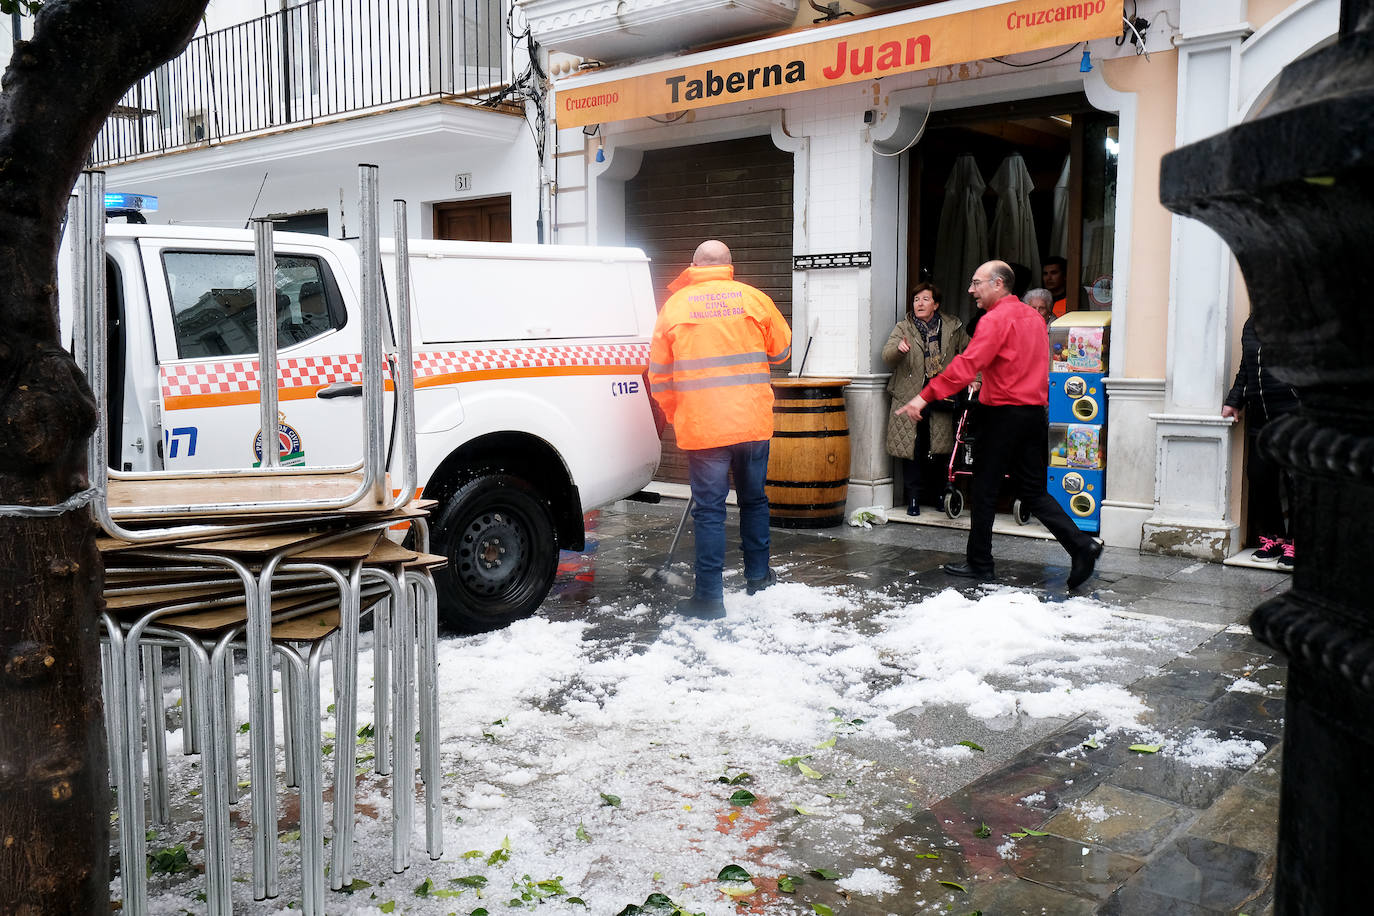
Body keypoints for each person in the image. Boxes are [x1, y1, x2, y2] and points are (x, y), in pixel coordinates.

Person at [896, 260, 1102, 589]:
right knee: (1034, 492)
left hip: (1002, 415)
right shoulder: (1034, 319)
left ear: (998, 284)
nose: (970, 290)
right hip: (1034, 414)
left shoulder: (995, 319)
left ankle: (981, 564)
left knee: (985, 490)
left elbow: (966, 364)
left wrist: (924, 396)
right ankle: (1081, 545)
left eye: (977, 283)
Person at [648, 240, 792, 617]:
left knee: (710, 511)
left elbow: (658, 376)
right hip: (752, 421)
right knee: (754, 500)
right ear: (730, 266)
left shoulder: (675, 306)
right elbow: (781, 352)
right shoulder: (754, 299)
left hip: (704, 426)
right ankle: (758, 577)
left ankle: (710, 597)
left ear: (693, 265)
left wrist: (677, 412)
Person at [882, 282, 970, 515]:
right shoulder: (904, 327)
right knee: (913, 450)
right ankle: (913, 498)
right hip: (908, 396)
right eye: (916, 300)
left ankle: (941, 495)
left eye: (925, 299)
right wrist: (898, 350)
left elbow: (971, 354)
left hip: (941, 396)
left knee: (940, 450)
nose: (919, 304)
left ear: (936, 304)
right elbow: (886, 356)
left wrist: (976, 378)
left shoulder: (953, 327)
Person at [1222, 315, 1300, 570]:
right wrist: (1235, 400)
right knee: (1258, 475)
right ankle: (1275, 537)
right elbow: (1247, 366)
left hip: (1295, 412)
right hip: (1260, 413)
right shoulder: (1253, 322)